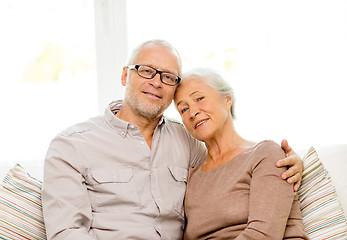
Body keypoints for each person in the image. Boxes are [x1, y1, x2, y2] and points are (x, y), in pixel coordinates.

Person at [42, 40, 303, 240]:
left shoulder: (187, 142)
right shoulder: (72, 145)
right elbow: (66, 231)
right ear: (125, 76)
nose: (157, 82)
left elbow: (232, 169)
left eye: (168, 77)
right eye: (146, 71)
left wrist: (293, 162)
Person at [174, 68, 309, 239]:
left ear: (227, 99)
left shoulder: (266, 154)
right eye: (183, 109)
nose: (192, 113)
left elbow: (263, 234)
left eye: (199, 98)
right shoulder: (191, 177)